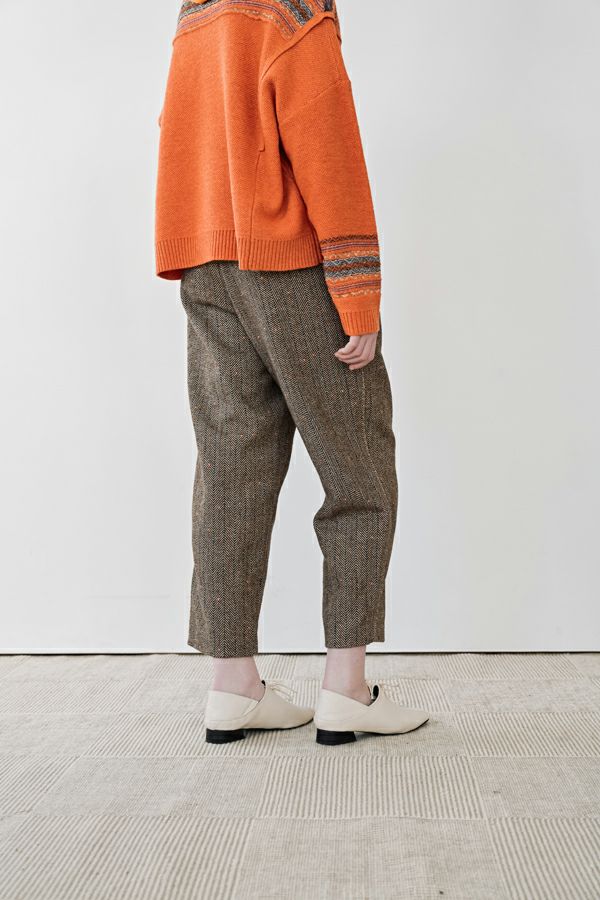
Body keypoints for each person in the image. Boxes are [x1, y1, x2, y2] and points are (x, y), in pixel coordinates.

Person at [155, 0, 429, 745]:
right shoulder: (295, 14)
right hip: (291, 268)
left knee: (229, 469)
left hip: (207, 262)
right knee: (357, 470)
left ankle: (233, 686)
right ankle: (347, 688)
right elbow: (328, 152)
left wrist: (191, 247)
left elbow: (177, 133)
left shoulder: (196, 14)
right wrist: (358, 294)